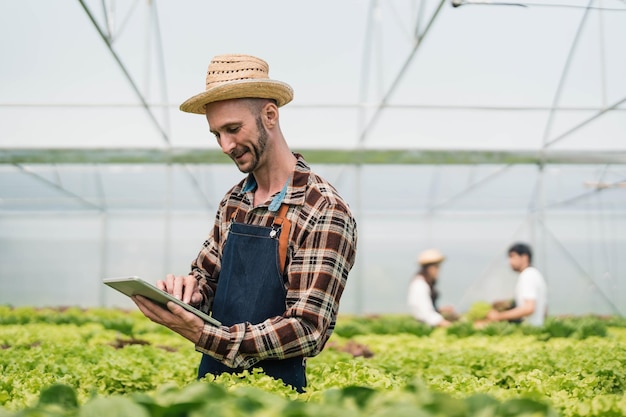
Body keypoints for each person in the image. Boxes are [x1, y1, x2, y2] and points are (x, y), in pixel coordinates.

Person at [131, 54, 358, 392]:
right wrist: (187, 295)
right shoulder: (234, 201)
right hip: (210, 389)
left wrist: (204, 335)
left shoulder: (322, 208)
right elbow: (207, 279)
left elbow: (307, 329)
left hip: (274, 401)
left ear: (270, 115)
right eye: (217, 134)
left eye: (233, 129)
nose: (225, 146)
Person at [485, 242, 547, 326]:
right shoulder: (533, 274)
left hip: (531, 329)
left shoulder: (528, 275)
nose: (510, 261)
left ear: (524, 257)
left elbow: (529, 308)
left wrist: (499, 316)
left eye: (513, 257)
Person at [407, 249, 456, 327]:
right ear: (428, 268)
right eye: (436, 267)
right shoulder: (419, 285)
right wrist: (449, 325)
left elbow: (427, 307)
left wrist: (441, 310)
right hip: (424, 327)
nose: (438, 270)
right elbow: (426, 313)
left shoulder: (424, 283)